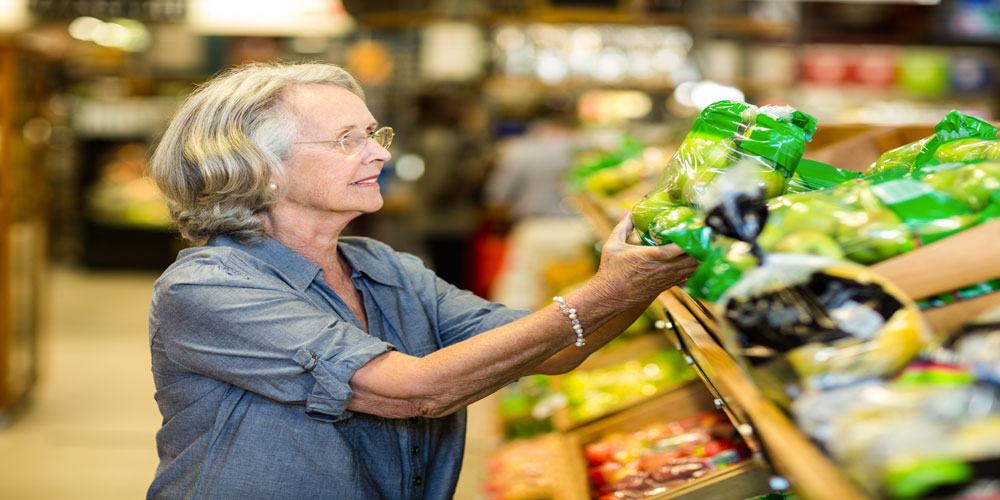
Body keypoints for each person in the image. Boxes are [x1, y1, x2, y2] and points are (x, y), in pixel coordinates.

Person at [145, 61, 698, 500]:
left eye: (374, 132)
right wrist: (611, 289)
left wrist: (647, 274)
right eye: (348, 140)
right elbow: (415, 392)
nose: (381, 152)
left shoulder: (382, 266)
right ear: (256, 166)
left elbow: (550, 349)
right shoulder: (207, 289)